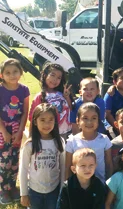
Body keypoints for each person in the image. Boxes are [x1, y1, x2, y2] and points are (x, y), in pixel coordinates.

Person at [19, 103, 65, 209]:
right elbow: (23, 169)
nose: (47, 124)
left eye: (50, 120)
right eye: (42, 120)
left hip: (54, 190)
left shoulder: (60, 142)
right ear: (35, 121)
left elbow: (63, 167)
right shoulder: (30, 144)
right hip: (34, 191)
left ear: (55, 121)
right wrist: (24, 193)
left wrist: (62, 189)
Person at [0, 59, 30, 204]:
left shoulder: (24, 90)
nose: (12, 75)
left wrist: (20, 132)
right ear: (2, 75)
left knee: (14, 159)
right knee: (2, 160)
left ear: (21, 72)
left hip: (17, 128)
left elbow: (25, 112)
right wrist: (4, 132)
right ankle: (3, 190)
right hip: (2, 129)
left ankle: (12, 187)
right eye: (8, 73)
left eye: (15, 72)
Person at [65, 103, 113, 184]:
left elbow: (109, 165)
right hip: (78, 188)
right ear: (78, 121)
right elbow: (68, 167)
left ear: (98, 120)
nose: (89, 122)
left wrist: (109, 186)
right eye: (85, 118)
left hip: (100, 187)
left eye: (94, 118)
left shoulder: (104, 139)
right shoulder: (72, 141)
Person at [29, 62, 73, 140]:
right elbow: (33, 118)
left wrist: (67, 98)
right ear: (45, 75)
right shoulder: (40, 96)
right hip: (48, 134)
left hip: (66, 133)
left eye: (59, 78)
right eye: (52, 75)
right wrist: (31, 137)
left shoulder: (62, 94)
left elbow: (71, 109)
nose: (55, 79)